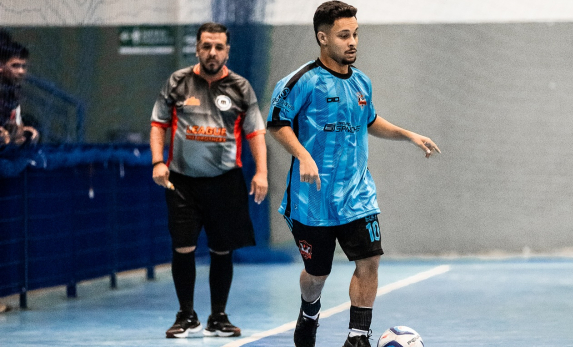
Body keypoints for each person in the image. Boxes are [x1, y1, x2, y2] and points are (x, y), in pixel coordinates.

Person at [266, 2, 441, 347]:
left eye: (356, 34)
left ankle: (358, 336)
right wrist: (303, 155)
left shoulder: (362, 82)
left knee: (369, 259)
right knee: (317, 274)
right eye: (344, 35)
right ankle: (310, 309)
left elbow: (370, 121)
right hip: (312, 198)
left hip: (357, 194)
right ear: (323, 37)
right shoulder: (300, 81)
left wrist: (408, 134)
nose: (353, 42)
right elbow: (276, 124)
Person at [150, 22, 268, 339]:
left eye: (218, 47)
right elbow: (158, 123)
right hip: (181, 182)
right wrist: (158, 161)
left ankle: (218, 317)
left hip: (225, 181)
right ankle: (186, 315)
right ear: (197, 48)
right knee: (184, 246)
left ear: (227, 50)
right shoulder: (177, 82)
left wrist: (261, 172)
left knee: (222, 250)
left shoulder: (241, 87)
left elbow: (255, 132)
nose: (212, 52)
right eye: (206, 46)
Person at [0, 40, 38, 146]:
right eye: (15, 66)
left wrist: (23, 132)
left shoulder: (13, 92)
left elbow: (16, 127)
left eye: (23, 66)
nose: (21, 71)